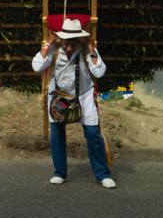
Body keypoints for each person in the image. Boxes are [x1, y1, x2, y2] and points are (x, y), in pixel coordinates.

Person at [31, 18, 114, 189]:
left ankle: (102, 174)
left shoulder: (86, 50)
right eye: (66, 43)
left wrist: (92, 50)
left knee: (93, 134)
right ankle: (59, 172)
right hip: (59, 97)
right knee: (57, 133)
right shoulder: (54, 50)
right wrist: (46, 45)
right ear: (61, 40)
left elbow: (99, 72)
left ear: (79, 40)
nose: (69, 48)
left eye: (73, 44)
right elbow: (37, 66)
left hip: (84, 95)